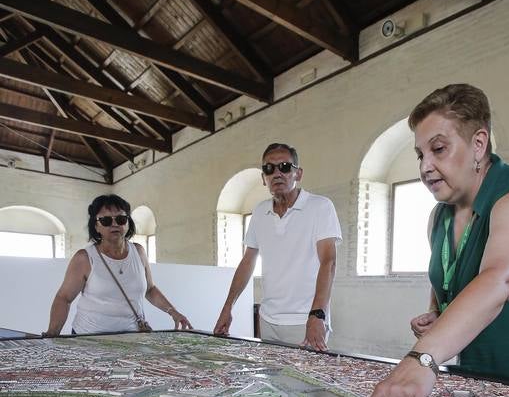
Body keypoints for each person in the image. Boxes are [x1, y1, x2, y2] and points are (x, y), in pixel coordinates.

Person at [354, 83, 509, 397]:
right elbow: (448, 282)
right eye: (420, 155)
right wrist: (436, 314)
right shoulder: (439, 216)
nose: (425, 167)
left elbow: (499, 280)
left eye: (438, 149)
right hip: (473, 372)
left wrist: (421, 359)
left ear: (478, 144)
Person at [213, 143, 342, 351]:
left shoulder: (320, 206)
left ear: (298, 173)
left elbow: (329, 261)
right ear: (263, 178)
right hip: (268, 320)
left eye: (285, 167)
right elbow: (247, 262)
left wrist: (318, 315)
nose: (277, 173)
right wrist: (228, 308)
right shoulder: (260, 212)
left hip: (305, 320)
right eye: (269, 168)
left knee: (307, 374)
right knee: (271, 373)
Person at [44, 194, 192, 336]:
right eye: (106, 220)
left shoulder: (139, 252)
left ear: (128, 223)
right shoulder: (84, 258)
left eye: (121, 219)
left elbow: (150, 289)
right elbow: (64, 298)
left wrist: (173, 312)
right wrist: (52, 333)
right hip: (89, 338)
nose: (114, 224)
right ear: (96, 226)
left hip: (132, 338)